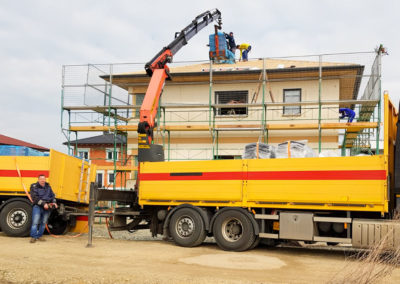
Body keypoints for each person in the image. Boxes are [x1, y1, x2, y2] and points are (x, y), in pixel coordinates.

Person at [29, 174, 57, 243]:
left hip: (47, 207)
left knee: (43, 222)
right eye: (41, 179)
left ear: (45, 180)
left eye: (44, 179)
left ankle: (39, 236)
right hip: (38, 206)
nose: (42, 180)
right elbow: (34, 198)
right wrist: (43, 204)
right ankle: (33, 237)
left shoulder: (48, 187)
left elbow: (52, 196)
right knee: (35, 222)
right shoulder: (34, 186)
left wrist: (54, 202)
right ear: (38, 180)